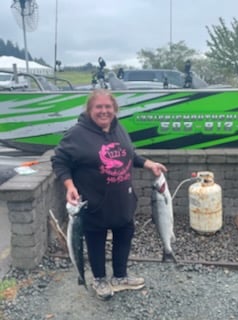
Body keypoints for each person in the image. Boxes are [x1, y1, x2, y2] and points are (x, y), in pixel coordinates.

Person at [51, 89, 167, 300]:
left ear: (114, 109)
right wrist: (69, 185)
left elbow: (129, 154)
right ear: (89, 109)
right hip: (95, 204)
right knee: (96, 241)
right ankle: (99, 280)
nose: (104, 111)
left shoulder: (118, 128)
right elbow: (59, 161)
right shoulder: (76, 134)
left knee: (124, 235)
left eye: (108, 107)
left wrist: (148, 163)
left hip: (123, 200)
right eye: (99, 107)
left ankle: (120, 277)